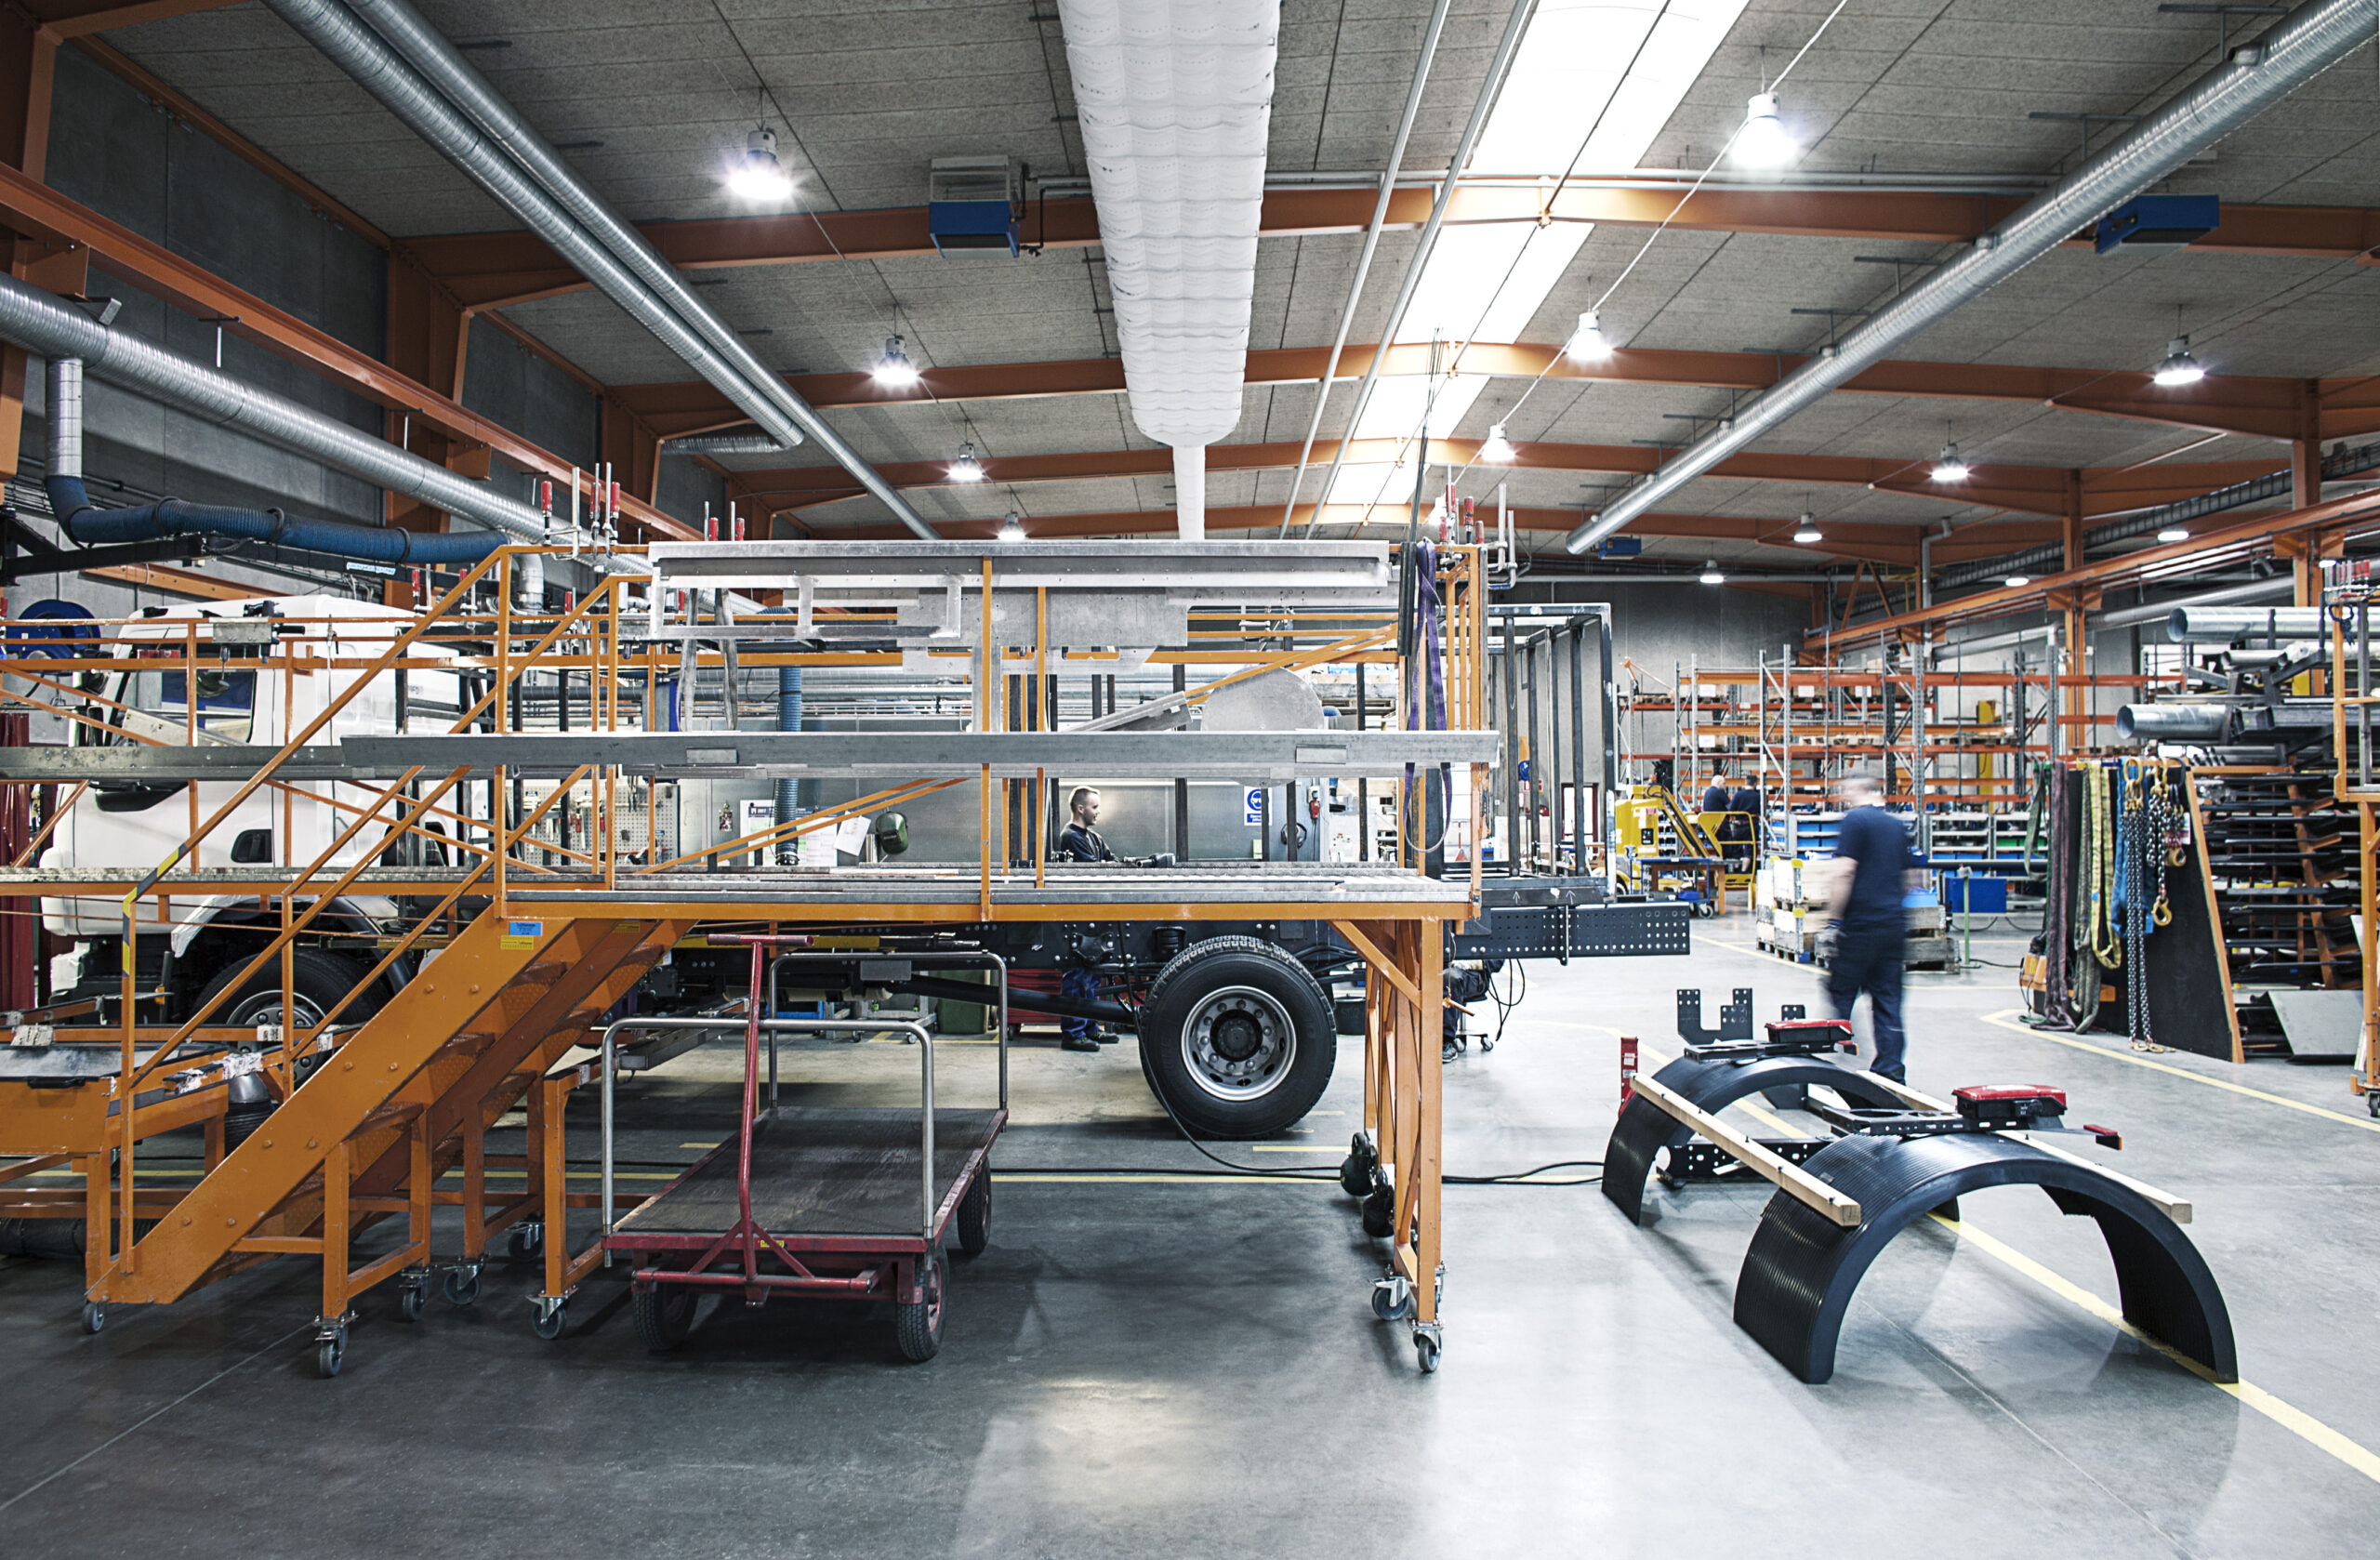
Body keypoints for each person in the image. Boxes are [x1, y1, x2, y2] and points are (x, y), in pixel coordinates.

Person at [1820, 772, 1924, 1083]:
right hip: (1893, 925)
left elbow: (1845, 872)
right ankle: (1891, 1071)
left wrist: (1833, 921)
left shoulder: (1856, 821)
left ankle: (1829, 1060)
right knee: (1888, 1000)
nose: (1845, 797)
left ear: (1860, 790)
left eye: (1847, 791)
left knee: (1840, 990)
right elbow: (1912, 879)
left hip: (1861, 926)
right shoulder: (1896, 826)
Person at [1056, 787, 1117, 1051]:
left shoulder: (1093, 837)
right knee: (1077, 974)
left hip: (1094, 914)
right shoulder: (1071, 836)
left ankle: (1090, 1029)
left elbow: (1111, 862)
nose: (1098, 812)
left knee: (1091, 974)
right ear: (1080, 808)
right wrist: (1106, 866)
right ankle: (1073, 1033)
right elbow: (1095, 869)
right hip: (1078, 915)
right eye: (1094, 807)